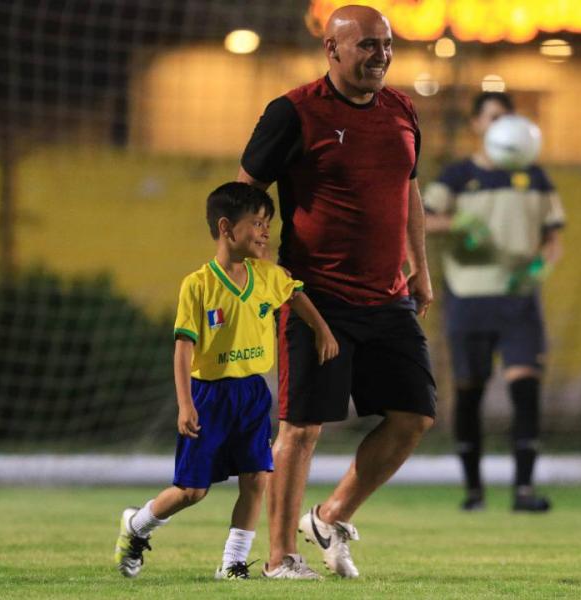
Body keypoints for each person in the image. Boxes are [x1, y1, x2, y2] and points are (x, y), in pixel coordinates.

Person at [237, 4, 436, 580]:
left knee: (414, 416)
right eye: (367, 45)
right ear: (333, 50)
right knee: (301, 428)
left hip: (387, 295)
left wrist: (420, 267)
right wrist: (262, 264)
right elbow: (245, 192)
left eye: (387, 44)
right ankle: (281, 560)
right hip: (315, 295)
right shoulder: (293, 112)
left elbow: (410, 191)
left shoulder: (402, 110)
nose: (381, 55)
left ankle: (330, 515)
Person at [113, 182, 338, 580]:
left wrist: (322, 330)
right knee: (192, 491)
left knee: (257, 478)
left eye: (268, 223)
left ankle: (233, 562)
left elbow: (296, 295)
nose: (265, 231)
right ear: (226, 228)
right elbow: (183, 349)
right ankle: (137, 525)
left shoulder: (267, 276)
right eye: (256, 222)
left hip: (251, 394)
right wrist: (186, 404)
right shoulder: (198, 286)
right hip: (208, 396)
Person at [424, 91, 566, 513]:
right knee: (469, 392)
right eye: (493, 117)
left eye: (508, 117)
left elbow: (553, 238)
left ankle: (523, 491)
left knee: (526, 387)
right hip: (469, 298)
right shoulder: (456, 176)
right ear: (476, 124)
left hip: (518, 299)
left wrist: (542, 266)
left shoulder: (535, 177)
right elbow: (419, 218)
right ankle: (474, 491)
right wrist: (455, 222)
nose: (502, 124)